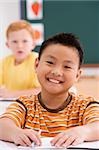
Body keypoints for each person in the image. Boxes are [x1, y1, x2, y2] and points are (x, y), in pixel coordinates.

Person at [0, 33, 99, 148]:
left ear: (77, 75)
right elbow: (3, 125)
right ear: (37, 65)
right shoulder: (24, 105)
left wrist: (83, 132)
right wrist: (15, 133)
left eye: (67, 67)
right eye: (50, 63)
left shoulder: (85, 105)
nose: (56, 72)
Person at [0, 20, 40, 98]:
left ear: (33, 44)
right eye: (14, 41)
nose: (20, 46)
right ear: (8, 44)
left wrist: (12, 94)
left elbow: (42, 91)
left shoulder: (37, 61)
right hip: (12, 105)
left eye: (25, 41)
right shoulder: (5, 62)